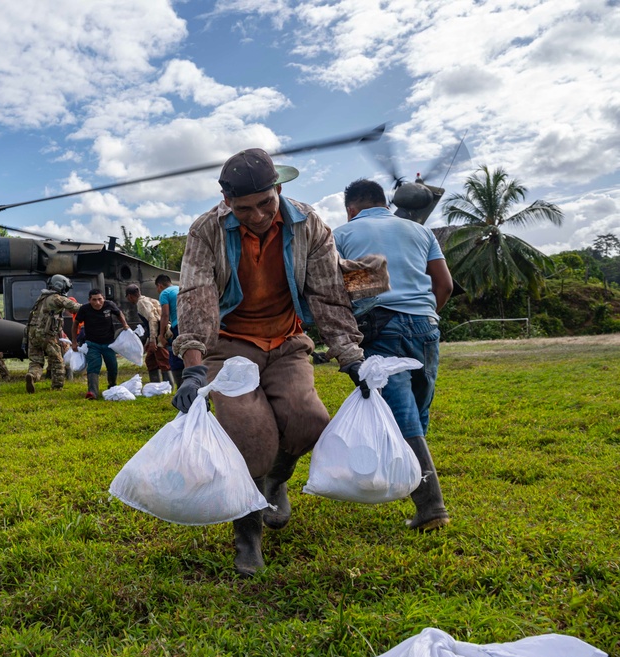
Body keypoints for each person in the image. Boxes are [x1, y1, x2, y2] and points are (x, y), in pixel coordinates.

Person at [171, 148, 388, 577]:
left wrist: (351, 357)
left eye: (265, 204)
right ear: (226, 200)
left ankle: (277, 481)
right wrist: (194, 366)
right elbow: (196, 294)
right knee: (251, 438)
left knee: (309, 422)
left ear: (279, 189)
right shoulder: (206, 230)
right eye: (243, 208)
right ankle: (247, 534)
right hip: (230, 346)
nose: (256, 215)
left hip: (287, 341)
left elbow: (327, 293)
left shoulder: (309, 224)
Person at [333, 178, 454, 531]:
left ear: (350, 208)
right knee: (417, 410)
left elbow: (349, 293)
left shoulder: (343, 234)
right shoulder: (420, 231)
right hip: (426, 325)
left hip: (380, 326)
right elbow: (443, 285)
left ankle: (431, 508)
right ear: (385, 202)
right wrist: (426, 314)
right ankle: (410, 473)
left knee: (402, 417)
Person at [24, 274, 82, 393]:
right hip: (46, 335)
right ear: (60, 286)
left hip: (32, 334)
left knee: (36, 361)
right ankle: (57, 387)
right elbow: (74, 307)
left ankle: (32, 376)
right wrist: (92, 307)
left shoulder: (42, 298)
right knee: (57, 360)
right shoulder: (56, 298)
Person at [72, 289, 130, 399]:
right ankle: (92, 392)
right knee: (93, 366)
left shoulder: (109, 305)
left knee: (112, 366)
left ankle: (112, 386)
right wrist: (74, 342)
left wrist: (125, 325)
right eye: (94, 300)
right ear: (89, 300)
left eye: (100, 299)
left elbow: (119, 313)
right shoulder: (84, 309)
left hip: (108, 343)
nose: (97, 303)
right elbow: (75, 324)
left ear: (103, 298)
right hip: (92, 343)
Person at [124, 283, 175, 386]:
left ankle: (169, 386)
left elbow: (153, 320)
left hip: (158, 334)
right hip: (158, 333)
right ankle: (155, 385)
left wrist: (153, 340)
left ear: (129, 296)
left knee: (163, 360)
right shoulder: (150, 300)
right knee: (150, 360)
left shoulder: (141, 303)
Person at [154, 274, 182, 386]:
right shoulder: (180, 288)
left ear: (159, 285)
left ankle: (180, 386)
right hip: (189, 325)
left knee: (174, 355)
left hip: (177, 326)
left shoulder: (165, 293)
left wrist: (162, 335)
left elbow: (165, 315)